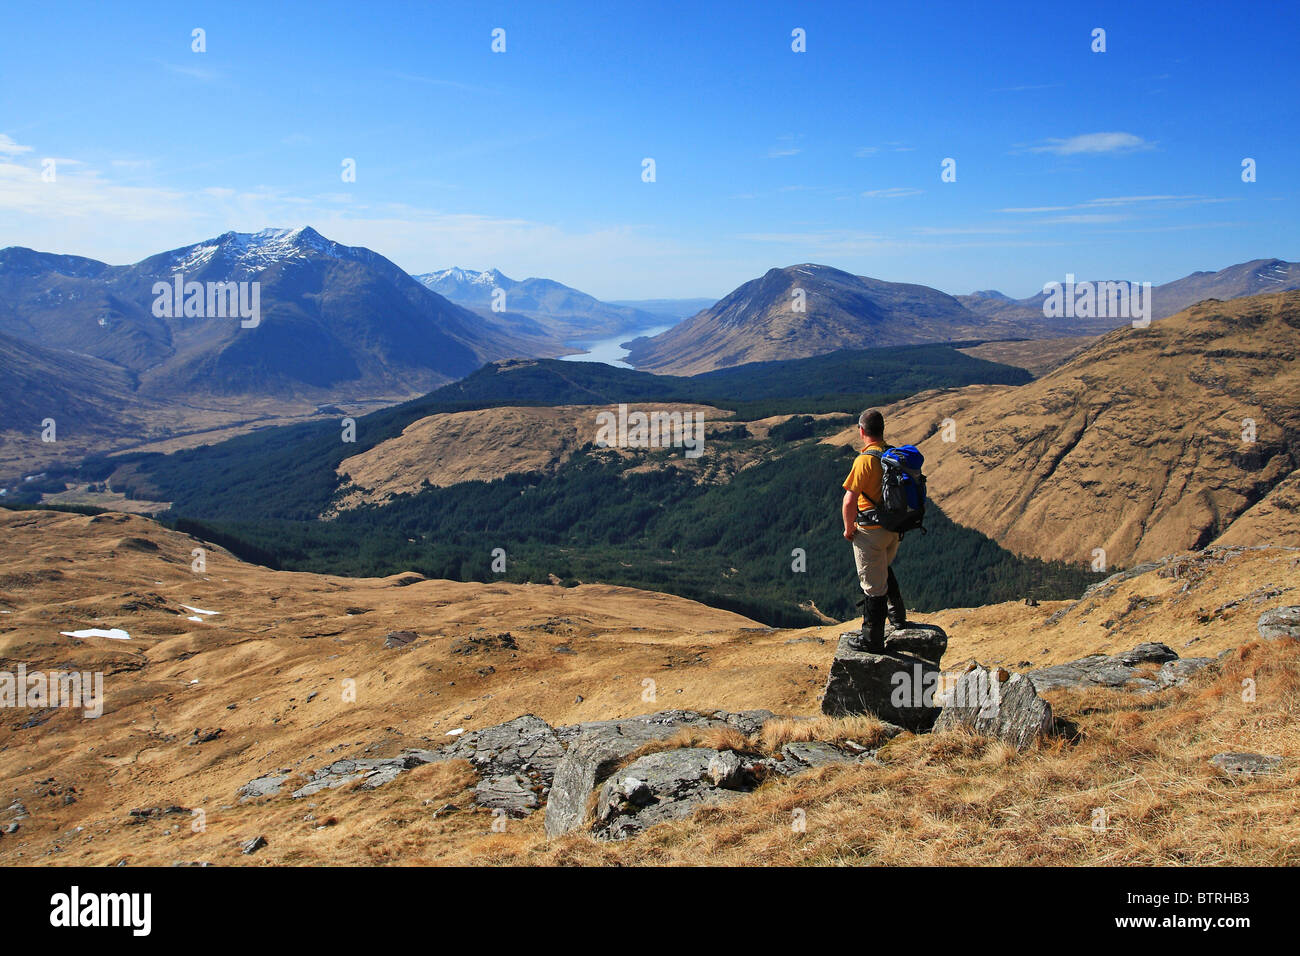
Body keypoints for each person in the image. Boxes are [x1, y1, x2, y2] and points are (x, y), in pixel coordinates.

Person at [840, 409, 907, 652]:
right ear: (882, 430)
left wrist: (849, 529)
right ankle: (898, 617)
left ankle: (872, 640)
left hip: (871, 531)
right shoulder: (892, 454)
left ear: (861, 431)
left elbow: (849, 501)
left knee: (872, 586)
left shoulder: (865, 461)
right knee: (883, 569)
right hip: (894, 529)